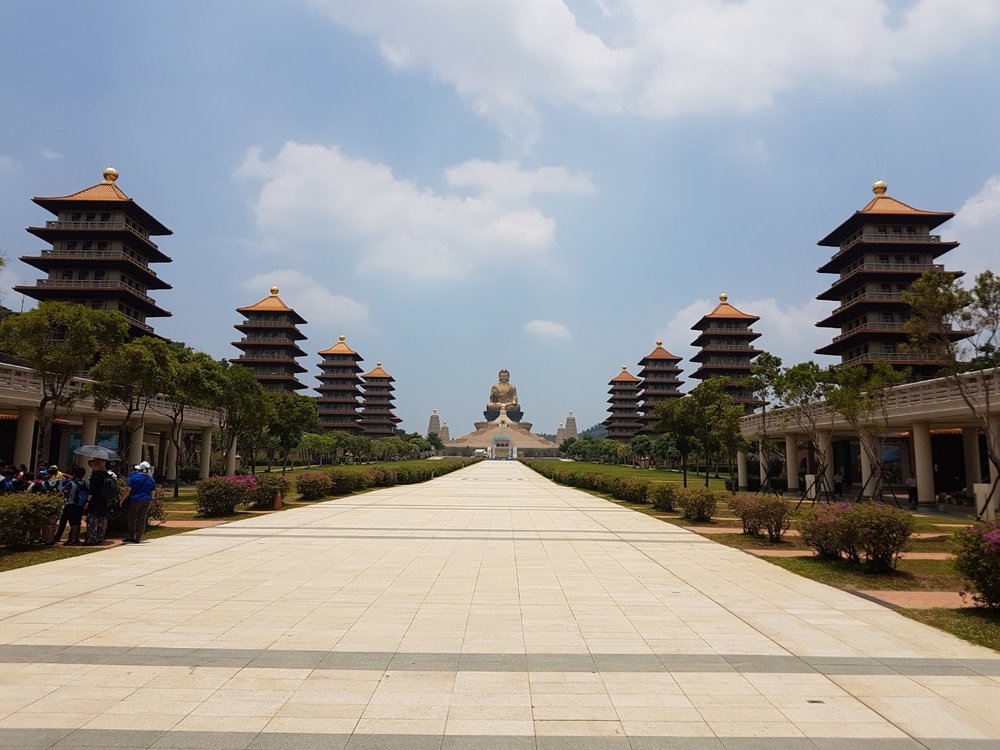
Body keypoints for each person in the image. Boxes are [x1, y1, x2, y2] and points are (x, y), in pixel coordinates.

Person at [51, 466, 89, 545]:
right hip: (80, 505)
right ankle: (75, 538)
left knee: (72, 523)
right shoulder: (84, 483)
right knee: (77, 522)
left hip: (71, 504)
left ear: (75, 474)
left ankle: (73, 540)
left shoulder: (71, 483)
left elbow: (62, 489)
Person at [121, 461, 155, 544]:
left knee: (131, 517)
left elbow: (128, 490)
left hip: (136, 500)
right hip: (147, 500)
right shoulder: (151, 479)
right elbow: (153, 491)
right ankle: (138, 537)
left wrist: (122, 500)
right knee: (142, 518)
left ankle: (131, 536)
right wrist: (151, 499)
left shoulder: (134, 478)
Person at [84, 458, 115, 545]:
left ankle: (91, 538)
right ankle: (99, 537)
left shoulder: (96, 476)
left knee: (92, 519)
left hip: (96, 499)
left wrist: (87, 501)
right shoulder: (107, 475)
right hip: (104, 500)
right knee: (101, 518)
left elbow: (92, 490)